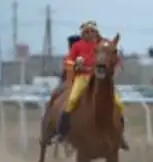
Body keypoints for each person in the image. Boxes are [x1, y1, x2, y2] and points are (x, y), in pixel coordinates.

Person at [53, 21, 129, 150]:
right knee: (71, 100)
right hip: (82, 77)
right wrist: (76, 65)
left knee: (119, 103)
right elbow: (68, 62)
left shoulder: (103, 44)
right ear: (83, 34)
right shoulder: (77, 46)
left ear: (96, 32)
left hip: (99, 78)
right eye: (87, 32)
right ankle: (62, 132)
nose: (90, 34)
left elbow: (113, 56)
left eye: (92, 31)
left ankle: (119, 135)